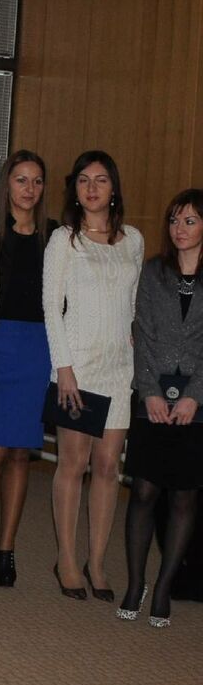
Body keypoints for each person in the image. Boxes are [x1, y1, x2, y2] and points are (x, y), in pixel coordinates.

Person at [43, 150, 143, 601]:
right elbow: (52, 307)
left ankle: (97, 562)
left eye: (101, 180)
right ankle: (66, 559)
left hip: (119, 370)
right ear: (75, 189)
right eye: (83, 180)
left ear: (113, 187)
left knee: (107, 468)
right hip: (77, 368)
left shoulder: (133, 240)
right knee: (74, 464)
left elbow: (136, 303)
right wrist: (63, 369)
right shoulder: (64, 239)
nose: (92, 188)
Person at [119, 188, 203, 627]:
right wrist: (150, 391)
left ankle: (165, 587)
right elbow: (143, 332)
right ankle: (136, 584)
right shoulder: (154, 272)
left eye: (190, 220)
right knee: (144, 491)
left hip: (197, 401)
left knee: (184, 496)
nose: (179, 229)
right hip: (151, 396)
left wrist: (195, 395)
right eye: (174, 220)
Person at [0, 151, 50, 587]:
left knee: (21, 453)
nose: (29, 189)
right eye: (21, 180)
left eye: (36, 181)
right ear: (7, 184)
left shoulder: (55, 236)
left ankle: (7, 547)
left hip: (37, 349)